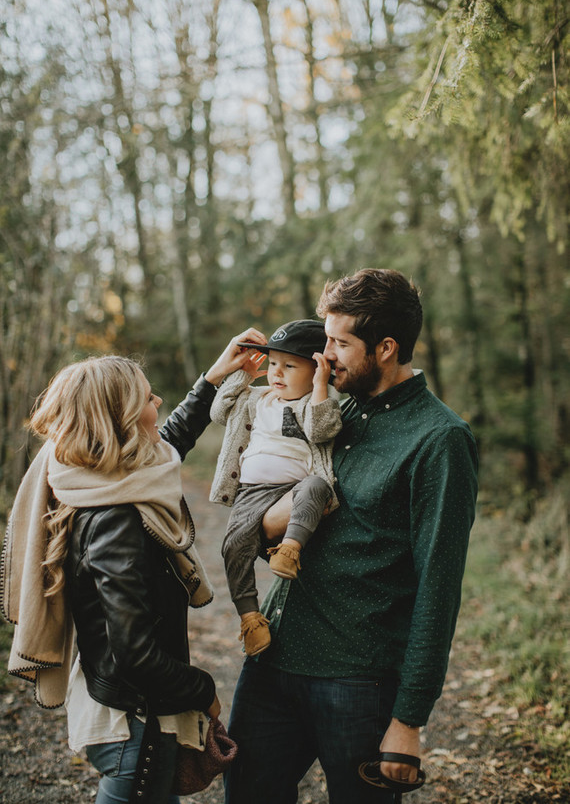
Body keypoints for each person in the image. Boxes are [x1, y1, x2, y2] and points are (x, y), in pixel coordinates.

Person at [224, 269, 479, 804]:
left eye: (339, 343)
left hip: (359, 683)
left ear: (386, 347)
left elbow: (440, 585)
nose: (324, 355)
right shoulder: (332, 409)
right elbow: (268, 499)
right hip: (273, 661)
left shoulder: (439, 439)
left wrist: (408, 720)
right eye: (325, 338)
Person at [0, 328, 267, 804]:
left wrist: (213, 378)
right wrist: (204, 690)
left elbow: (168, 443)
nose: (159, 401)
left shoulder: (98, 481)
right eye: (147, 398)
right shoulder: (117, 519)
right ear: (121, 418)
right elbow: (135, 655)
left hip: (126, 714)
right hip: (136, 726)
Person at [209, 320, 342, 657]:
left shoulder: (317, 402)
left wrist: (321, 385)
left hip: (292, 492)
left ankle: (290, 549)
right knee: (233, 546)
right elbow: (218, 409)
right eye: (272, 364)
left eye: (289, 365)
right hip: (251, 492)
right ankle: (251, 618)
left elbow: (324, 430)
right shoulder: (256, 399)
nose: (277, 373)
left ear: (315, 370)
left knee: (317, 486)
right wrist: (241, 375)